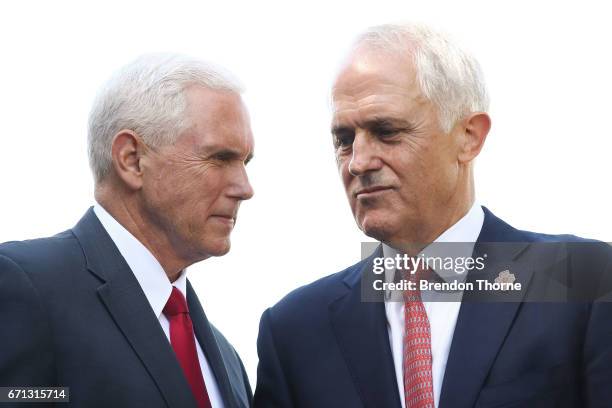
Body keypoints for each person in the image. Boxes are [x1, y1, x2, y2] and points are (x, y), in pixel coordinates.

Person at [254, 24, 612, 407]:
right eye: (344, 140)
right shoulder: (295, 330)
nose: (358, 162)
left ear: (469, 137)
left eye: (386, 131)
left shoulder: (581, 283)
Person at [0, 53, 254, 408]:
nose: (245, 187)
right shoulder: (24, 286)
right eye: (219, 159)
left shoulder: (227, 360)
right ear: (132, 159)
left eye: (245, 162)